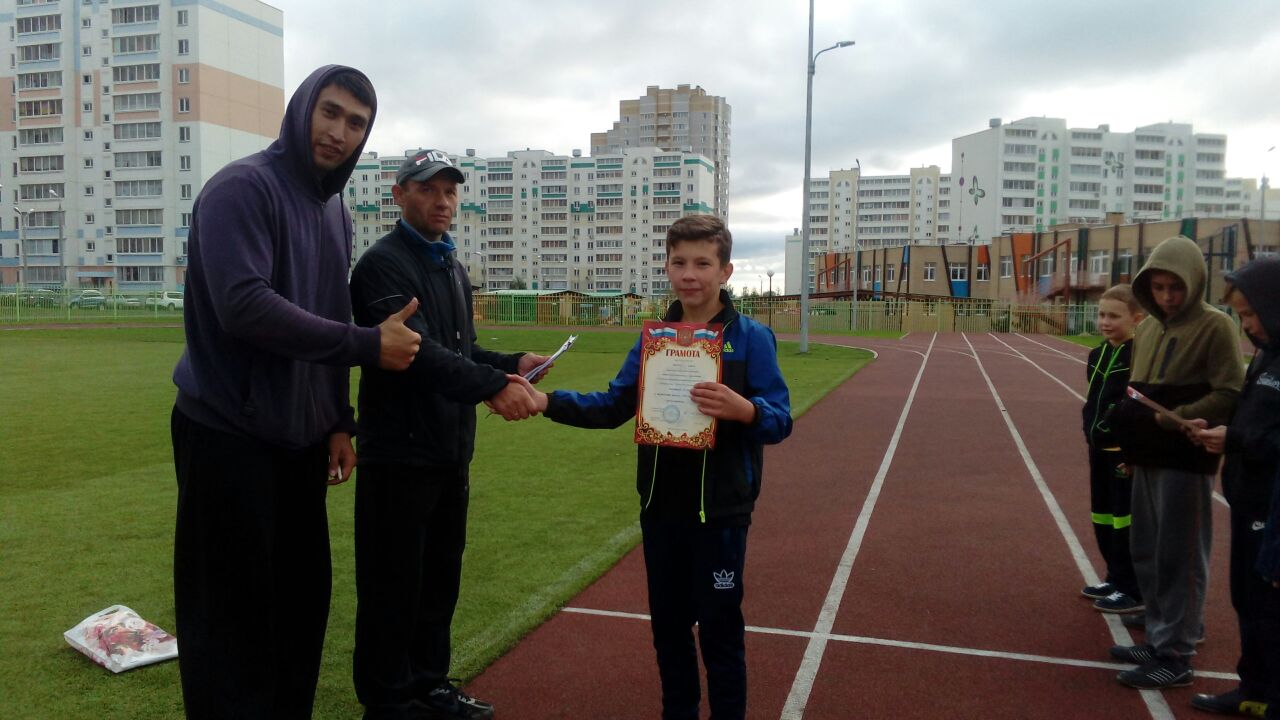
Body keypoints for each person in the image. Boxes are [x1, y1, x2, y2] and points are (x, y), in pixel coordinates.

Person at [171, 65, 422, 719]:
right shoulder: (242, 189)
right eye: (329, 112)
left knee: (298, 609)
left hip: (299, 440)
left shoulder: (335, 211)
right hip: (227, 433)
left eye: (356, 123)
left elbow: (327, 311)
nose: (339, 132)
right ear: (303, 107)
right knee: (230, 620)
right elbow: (245, 307)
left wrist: (338, 418)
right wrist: (368, 345)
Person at [524, 215, 793, 720]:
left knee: (720, 632)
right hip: (661, 509)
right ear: (667, 267)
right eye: (679, 262)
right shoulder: (655, 340)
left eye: (703, 263)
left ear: (726, 271)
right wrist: (546, 401)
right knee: (669, 631)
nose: (690, 274)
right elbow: (614, 405)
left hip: (721, 513)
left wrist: (746, 410)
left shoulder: (751, 339)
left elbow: (780, 419)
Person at [348, 149, 549, 720]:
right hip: (399, 457)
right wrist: (493, 386)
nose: (443, 201)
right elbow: (418, 354)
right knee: (392, 587)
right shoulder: (381, 266)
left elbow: (461, 349)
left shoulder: (451, 266)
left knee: (438, 582)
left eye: (450, 191)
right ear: (399, 195)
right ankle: (388, 701)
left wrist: (513, 362)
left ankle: (430, 686)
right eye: (428, 189)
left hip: (448, 452)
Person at [1109, 235, 1244, 689]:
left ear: (1195, 282)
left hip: (1185, 457)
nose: (1167, 296)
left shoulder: (1216, 326)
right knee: (1147, 549)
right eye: (1159, 287)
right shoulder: (1147, 328)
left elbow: (1230, 392)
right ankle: (1161, 633)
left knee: (1179, 555)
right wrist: (1132, 447)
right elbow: (1138, 393)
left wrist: (1176, 418)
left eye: (1176, 287)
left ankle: (1177, 654)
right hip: (1147, 455)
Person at [1185, 257, 1280, 717]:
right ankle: (1253, 687)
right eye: (1240, 315)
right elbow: (1253, 418)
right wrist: (1221, 428)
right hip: (1247, 496)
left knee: (1269, 604)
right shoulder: (1264, 354)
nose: (1246, 325)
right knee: (1245, 596)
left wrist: (1237, 439)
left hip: (1273, 506)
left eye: (1251, 314)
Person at [1080, 284, 1145, 614]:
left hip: (1122, 453)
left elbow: (1136, 407)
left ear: (1137, 318)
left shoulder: (1139, 357)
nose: (1105, 322)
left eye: (1114, 316)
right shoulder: (1097, 354)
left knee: (1124, 520)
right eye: (1102, 314)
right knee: (1102, 515)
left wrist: (1130, 450)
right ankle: (1114, 576)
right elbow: (1094, 400)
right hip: (1098, 449)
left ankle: (1132, 587)